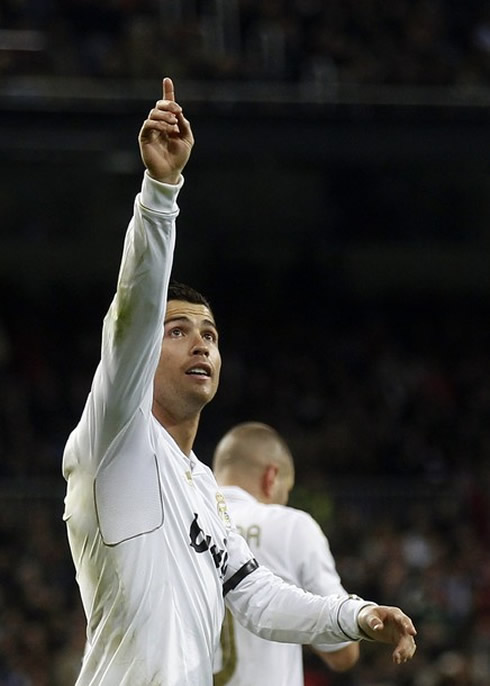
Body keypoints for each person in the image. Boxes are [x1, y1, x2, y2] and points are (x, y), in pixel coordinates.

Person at [62, 77, 417, 686]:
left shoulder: (203, 488)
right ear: (146, 350)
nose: (202, 341)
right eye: (178, 331)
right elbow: (131, 311)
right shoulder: (114, 437)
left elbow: (259, 597)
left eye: (211, 334)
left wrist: (357, 615)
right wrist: (161, 193)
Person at [212, 422, 360, 686]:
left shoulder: (184, 520)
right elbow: (342, 653)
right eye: (286, 491)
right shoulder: (292, 526)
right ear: (271, 477)